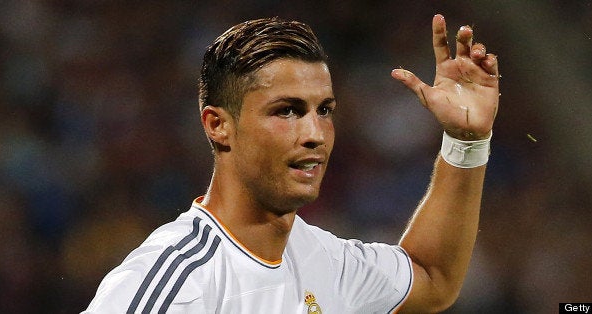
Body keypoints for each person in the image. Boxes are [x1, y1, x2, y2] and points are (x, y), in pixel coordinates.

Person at [84, 13, 499, 313]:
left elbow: (432, 276)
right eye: (286, 111)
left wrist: (467, 141)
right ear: (218, 125)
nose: (314, 134)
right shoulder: (178, 285)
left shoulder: (327, 261)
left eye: (324, 110)